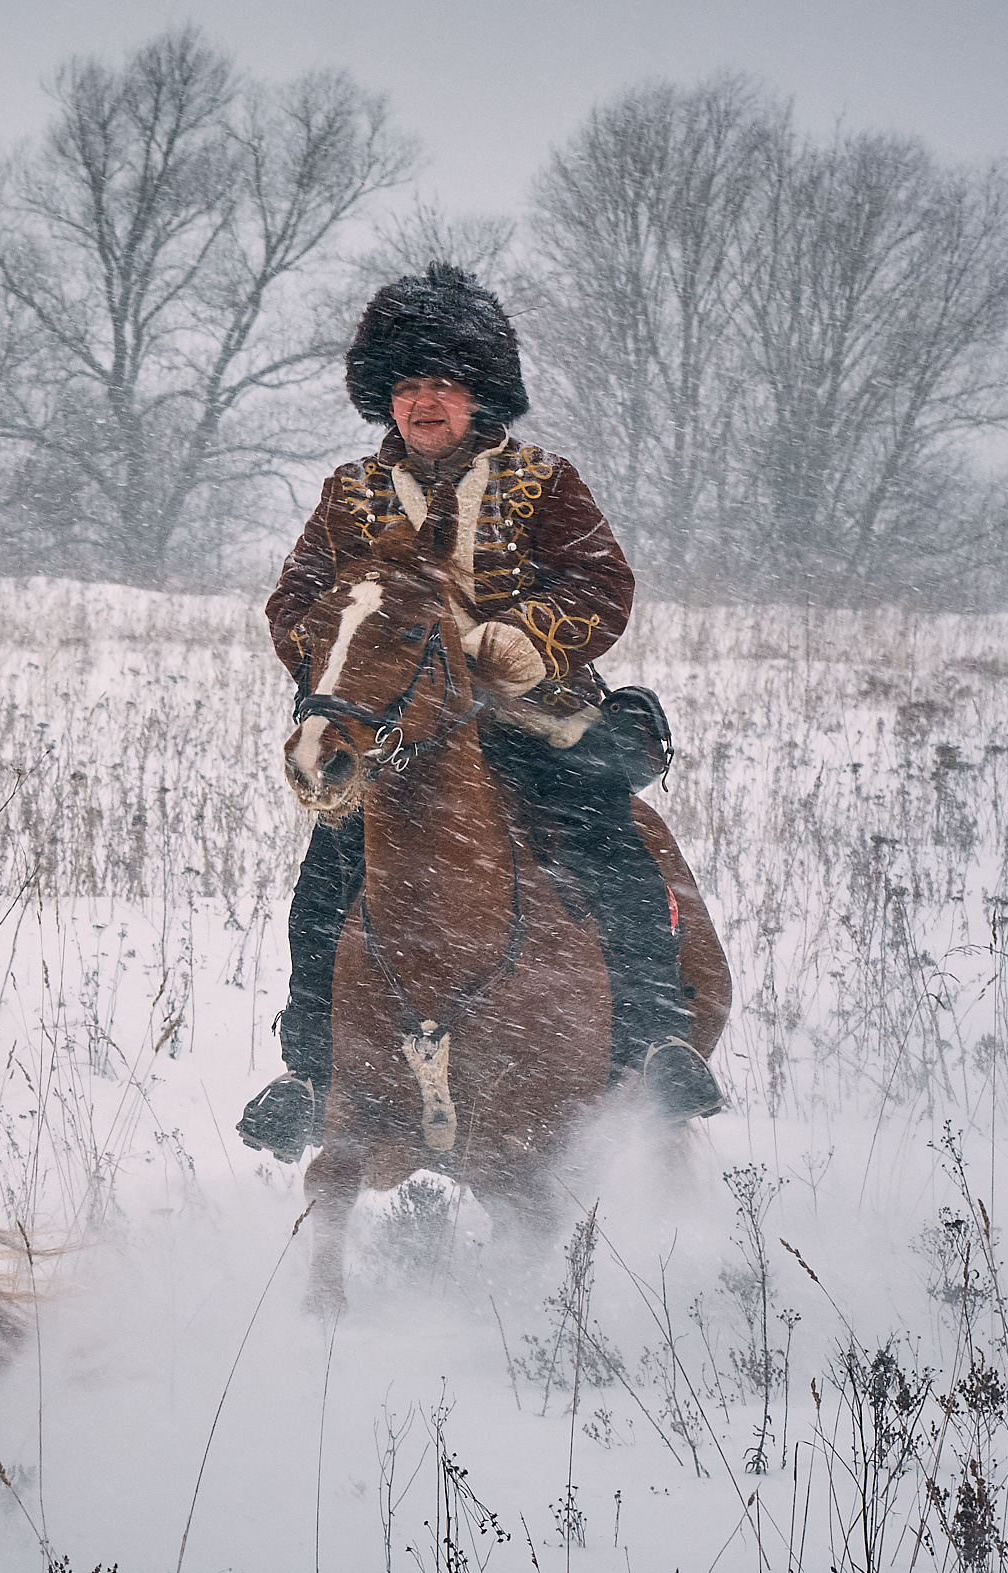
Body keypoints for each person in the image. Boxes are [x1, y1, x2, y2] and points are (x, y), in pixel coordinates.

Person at [237, 264, 723, 1162]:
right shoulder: (349, 492)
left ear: (480, 397)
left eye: (443, 384)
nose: (422, 402)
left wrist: (516, 639)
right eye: (406, 386)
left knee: (607, 839)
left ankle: (657, 1038)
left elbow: (602, 587)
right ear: (385, 399)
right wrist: (348, 663)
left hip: (531, 723)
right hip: (394, 736)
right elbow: (295, 601)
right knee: (324, 882)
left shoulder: (543, 481)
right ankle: (310, 1074)